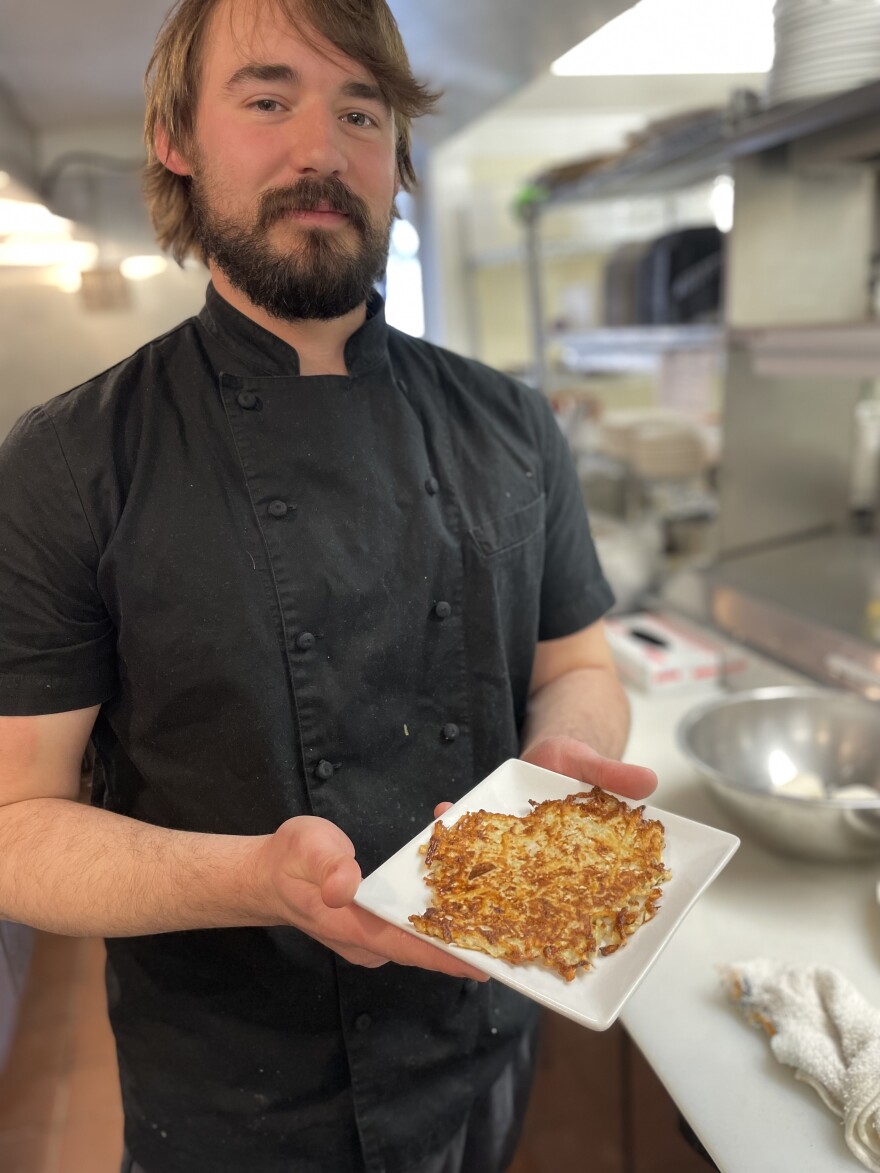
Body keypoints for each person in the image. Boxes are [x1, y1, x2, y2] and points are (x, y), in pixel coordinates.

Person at [0, 1, 657, 1170]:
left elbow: (579, 667)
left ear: (396, 154)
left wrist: (564, 753)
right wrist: (257, 876)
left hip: (484, 1037)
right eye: (268, 99)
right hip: (234, 1098)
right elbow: (18, 826)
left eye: (361, 109)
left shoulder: (510, 425)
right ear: (177, 142)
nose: (321, 150)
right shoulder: (70, 461)